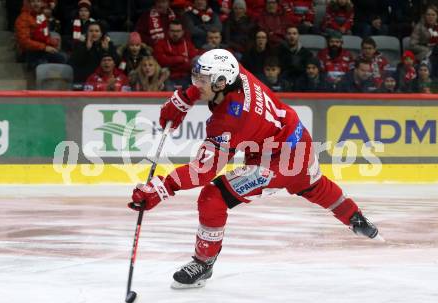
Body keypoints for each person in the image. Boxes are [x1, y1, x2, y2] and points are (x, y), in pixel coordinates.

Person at [127, 48, 381, 289]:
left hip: (276, 160)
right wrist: (185, 98)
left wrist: (161, 188)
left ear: (221, 82)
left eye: (202, 80)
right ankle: (356, 218)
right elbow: (208, 86)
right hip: (295, 136)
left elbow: (202, 171)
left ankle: (204, 263)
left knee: (212, 197)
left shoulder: (229, 120)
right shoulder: (237, 72)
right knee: (312, 184)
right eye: (197, 77)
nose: (196, 83)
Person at [14, 0, 66, 70]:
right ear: (28, 3)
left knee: (63, 58)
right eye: (33, 1)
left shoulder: (41, 16)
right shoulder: (23, 18)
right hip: (30, 52)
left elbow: (45, 35)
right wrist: (44, 47)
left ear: (41, 3)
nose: (36, 4)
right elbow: (24, 42)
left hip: (44, 49)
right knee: (44, 66)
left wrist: (52, 42)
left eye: (38, 1)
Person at [153, 19, 199, 90]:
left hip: (186, 77)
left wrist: (171, 60)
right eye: (173, 31)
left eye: (178, 31)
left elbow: (192, 63)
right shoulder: (160, 44)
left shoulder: (188, 45)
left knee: (198, 60)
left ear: (183, 32)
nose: (175, 34)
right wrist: (181, 59)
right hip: (168, 77)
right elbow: (161, 61)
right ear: (168, 31)